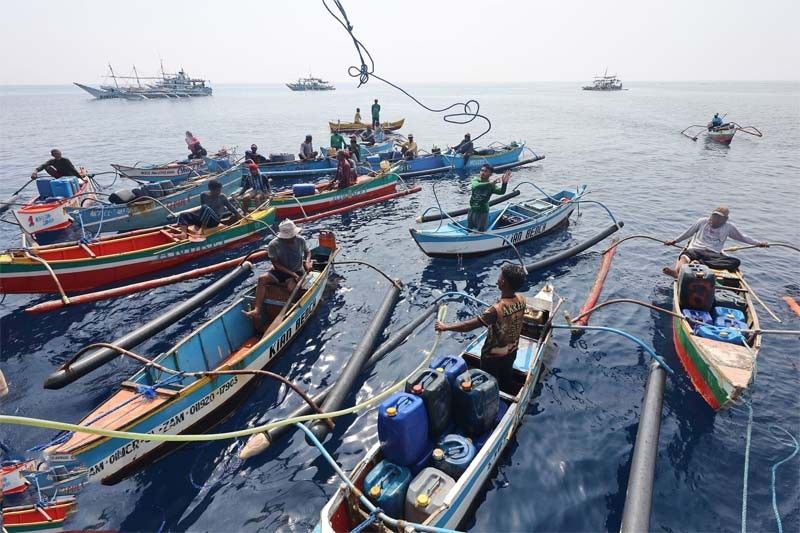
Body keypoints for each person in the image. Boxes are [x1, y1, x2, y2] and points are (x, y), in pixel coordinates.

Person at [435, 263, 528, 391]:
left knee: (489, 385)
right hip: (512, 352)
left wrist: (445, 327)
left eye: (500, 277)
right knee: (506, 379)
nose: (497, 279)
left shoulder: (495, 310)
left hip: (492, 358)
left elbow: (467, 326)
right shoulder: (522, 299)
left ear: (503, 282)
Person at [243, 219, 312, 329]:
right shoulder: (273, 244)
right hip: (280, 271)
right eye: (289, 238)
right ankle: (257, 310)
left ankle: (291, 314)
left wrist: (307, 262)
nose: (292, 239)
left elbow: (308, 252)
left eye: (293, 236)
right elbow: (275, 264)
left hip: (297, 270)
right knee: (262, 279)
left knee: (292, 288)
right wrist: (291, 274)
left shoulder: (300, 240)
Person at [662, 206, 768, 276]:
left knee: (735, 262)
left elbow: (743, 237)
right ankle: (677, 272)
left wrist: (758, 243)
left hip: (713, 254)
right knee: (684, 257)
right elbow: (688, 233)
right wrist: (674, 241)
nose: (715, 220)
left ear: (725, 220)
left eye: (719, 218)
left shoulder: (729, 227)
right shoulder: (702, 221)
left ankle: (699, 263)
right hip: (695, 249)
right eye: (714, 217)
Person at [176, 178, 242, 237]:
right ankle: (183, 234)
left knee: (206, 208)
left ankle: (202, 230)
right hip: (204, 220)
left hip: (214, 221)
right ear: (210, 189)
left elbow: (231, 207)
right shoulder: (203, 195)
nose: (219, 192)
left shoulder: (222, 197)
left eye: (219, 190)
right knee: (183, 215)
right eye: (217, 190)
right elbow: (202, 210)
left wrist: (238, 215)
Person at [467, 165, 511, 232]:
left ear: (490, 174)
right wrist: (490, 183)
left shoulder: (491, 186)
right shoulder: (475, 179)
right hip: (472, 209)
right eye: (482, 170)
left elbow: (501, 192)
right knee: (469, 228)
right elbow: (476, 186)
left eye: (485, 171)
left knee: (480, 230)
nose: (483, 172)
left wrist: (504, 183)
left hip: (482, 211)